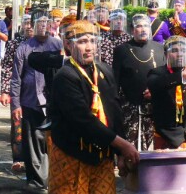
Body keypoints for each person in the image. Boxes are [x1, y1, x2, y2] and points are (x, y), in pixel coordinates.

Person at [48, 20, 139, 193]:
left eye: (92, 41)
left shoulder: (104, 70)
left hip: (102, 156)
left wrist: (119, 152)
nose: (88, 47)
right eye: (82, 42)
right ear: (68, 44)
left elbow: (114, 111)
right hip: (72, 154)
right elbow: (82, 120)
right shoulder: (65, 76)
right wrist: (122, 145)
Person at [10, 16, 63, 189]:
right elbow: (16, 78)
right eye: (38, 23)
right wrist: (15, 104)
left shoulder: (57, 45)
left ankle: (53, 178)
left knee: (52, 143)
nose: (42, 26)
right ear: (33, 26)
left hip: (53, 101)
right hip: (29, 100)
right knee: (32, 143)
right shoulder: (24, 47)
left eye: (45, 23)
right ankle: (35, 182)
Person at [112, 14, 166, 150]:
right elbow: (115, 81)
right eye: (139, 26)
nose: (143, 29)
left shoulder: (160, 49)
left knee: (151, 142)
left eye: (146, 26)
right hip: (130, 105)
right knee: (131, 145)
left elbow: (165, 76)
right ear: (132, 30)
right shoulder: (121, 50)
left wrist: (156, 91)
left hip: (155, 105)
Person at [0, 14, 33, 172]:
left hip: (37, 93)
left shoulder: (46, 43)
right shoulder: (14, 43)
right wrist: (5, 91)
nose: (30, 27)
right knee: (17, 125)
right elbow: (6, 67)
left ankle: (35, 159)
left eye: (33, 24)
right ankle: (18, 158)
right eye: (27, 24)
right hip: (17, 90)